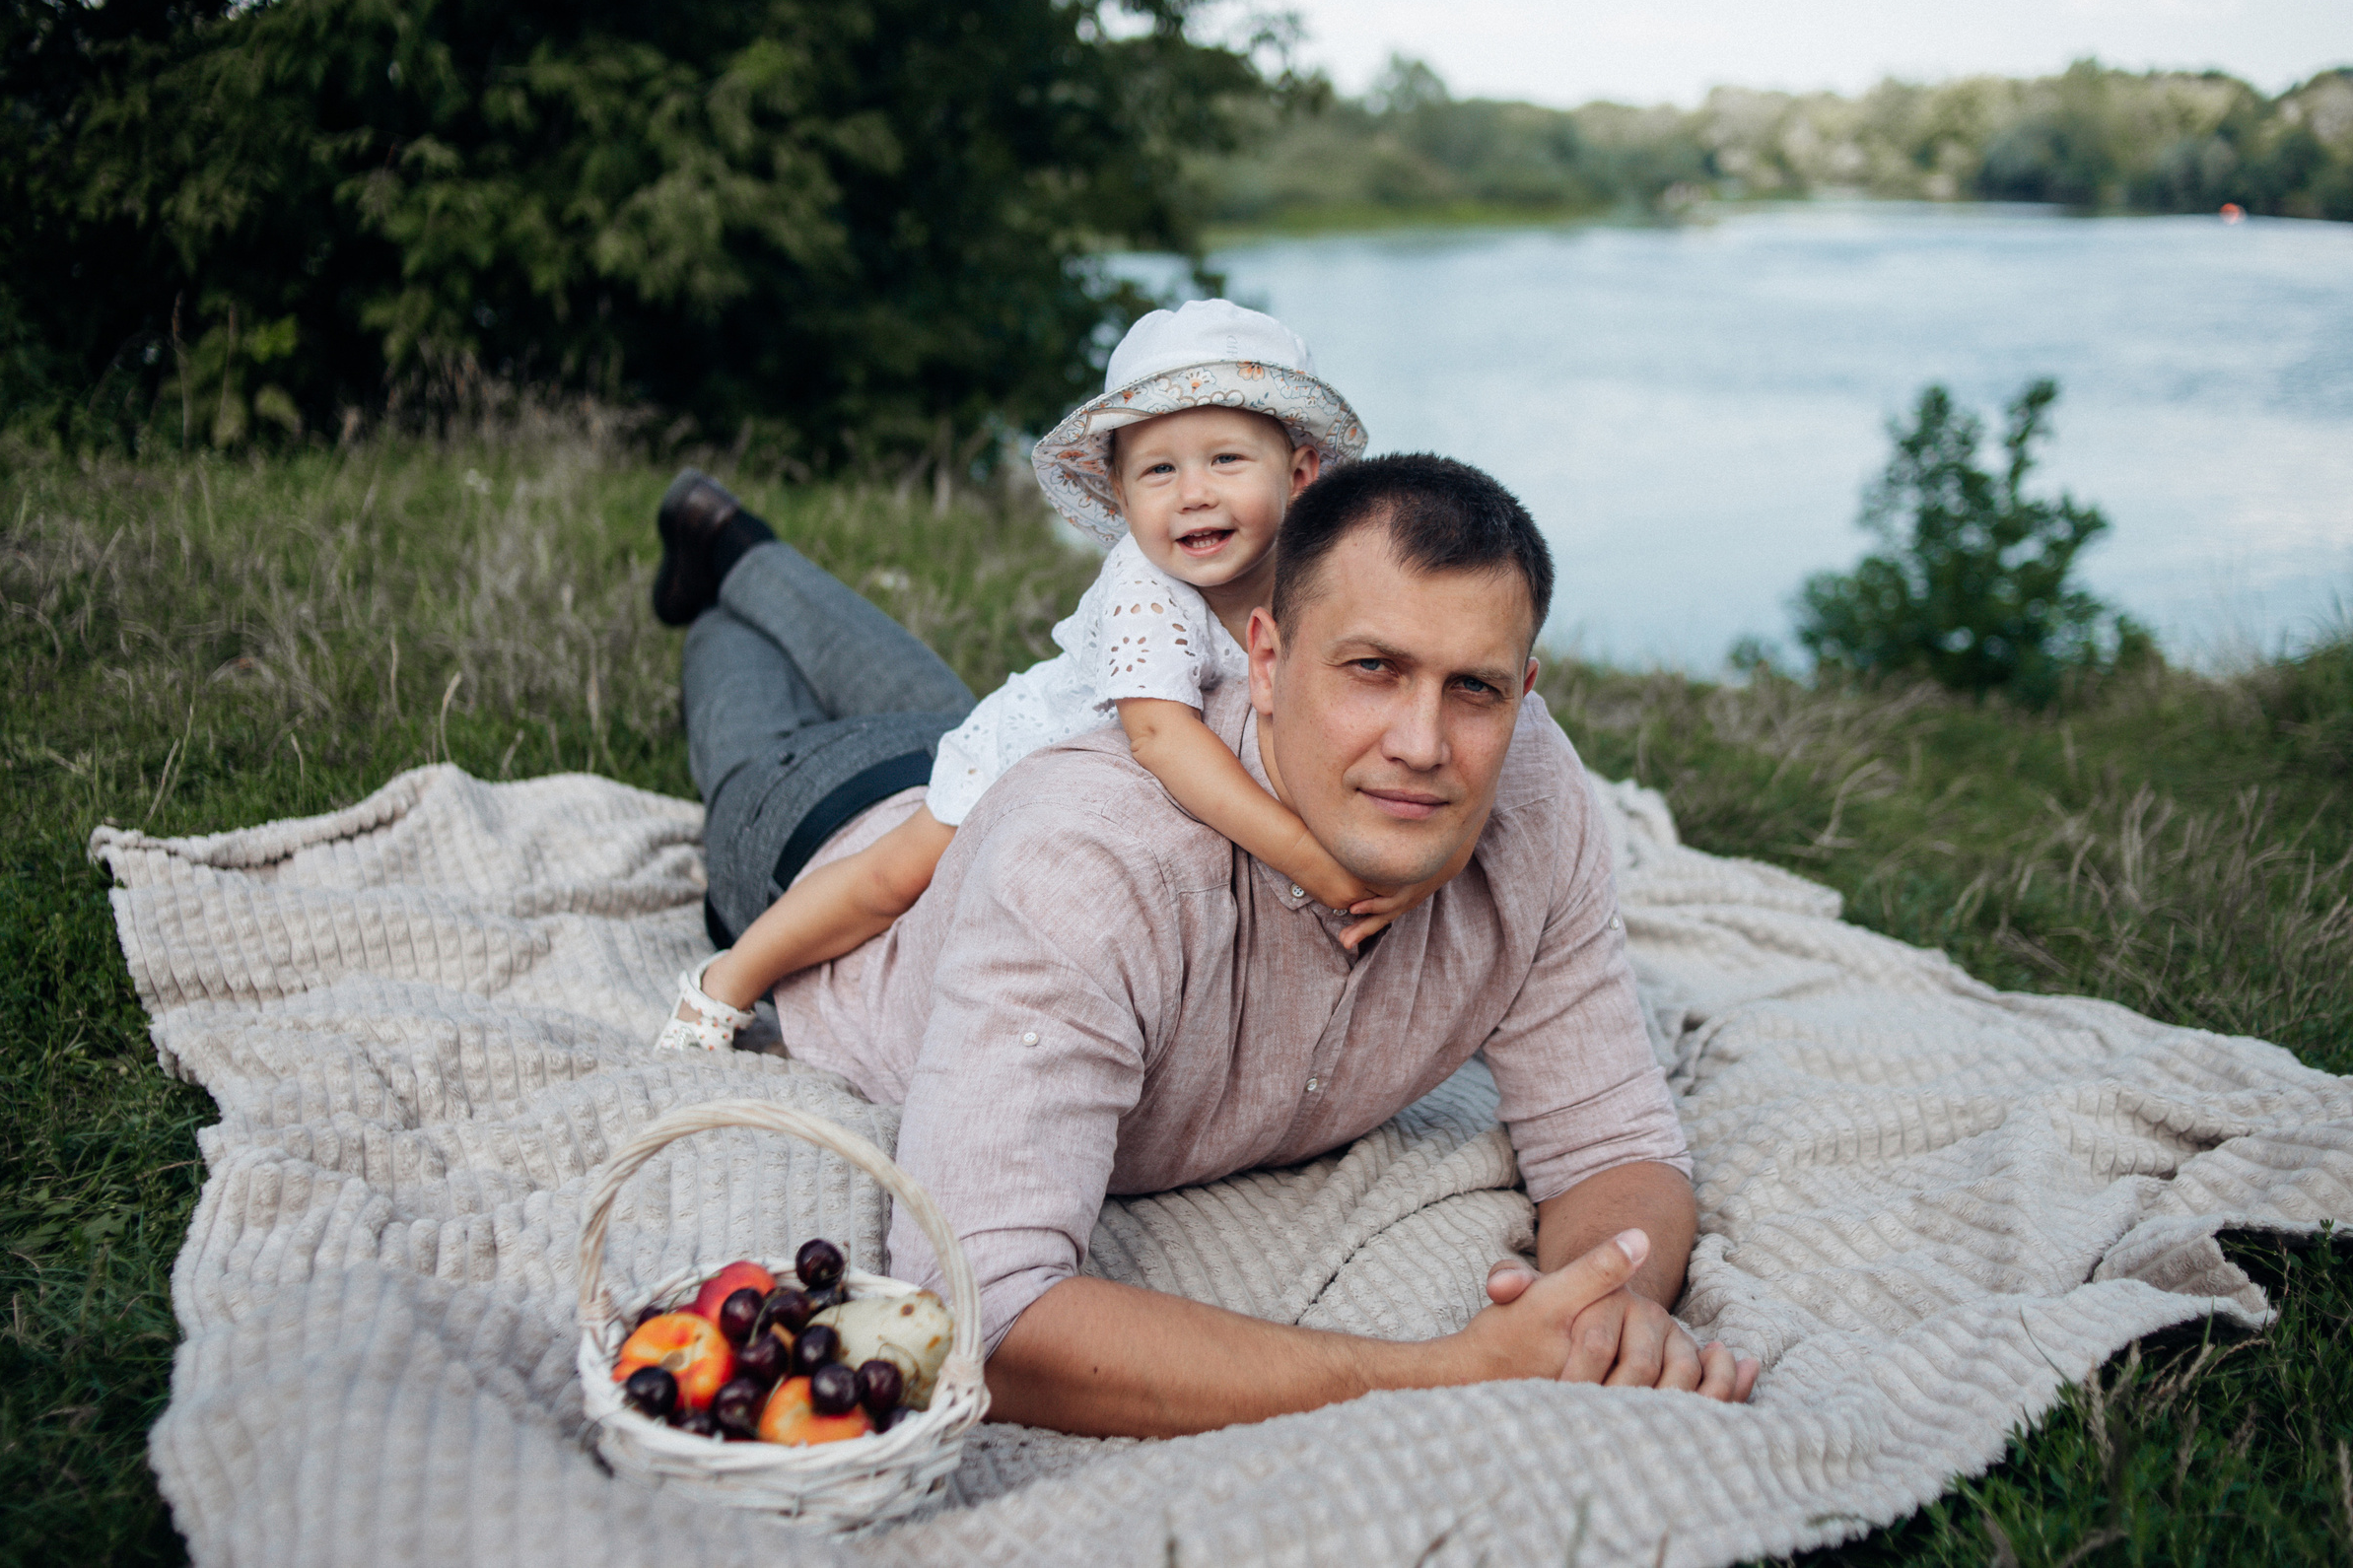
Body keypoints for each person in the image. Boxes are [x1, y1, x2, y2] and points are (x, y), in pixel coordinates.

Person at [655, 443, 1759, 1432]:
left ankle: (739, 552)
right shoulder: (1085, 865)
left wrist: (1599, 1307)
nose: (1423, 743)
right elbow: (978, 1314)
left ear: (1524, 689)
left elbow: (1616, 1143)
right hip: (825, 828)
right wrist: (1443, 1374)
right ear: (1266, 658)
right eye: (1371, 669)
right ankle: (724, 560)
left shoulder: (1535, 794)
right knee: (745, 699)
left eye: (1472, 688)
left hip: (986, 756)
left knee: (936, 710)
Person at [653, 300, 1447, 1052]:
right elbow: (1164, 739)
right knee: (889, 878)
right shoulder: (1146, 583)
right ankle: (725, 981)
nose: (1194, 494)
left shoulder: (1319, 573)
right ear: (1120, 493)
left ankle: (723, 558)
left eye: (1227, 459)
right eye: (1158, 471)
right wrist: (1319, 865)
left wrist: (1425, 864)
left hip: (1099, 787)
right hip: (1031, 751)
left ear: (1302, 472)